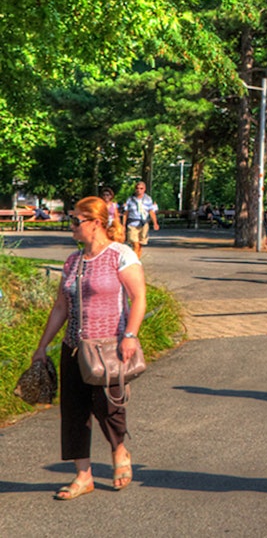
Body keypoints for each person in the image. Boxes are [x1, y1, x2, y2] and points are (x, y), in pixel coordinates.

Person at [33, 196, 146, 499]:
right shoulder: (72, 260)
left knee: (109, 406)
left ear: (96, 223)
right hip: (74, 346)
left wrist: (130, 335)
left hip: (108, 347)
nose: (70, 226)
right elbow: (60, 306)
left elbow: (139, 297)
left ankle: (119, 449)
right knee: (73, 411)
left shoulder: (120, 255)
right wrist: (43, 346)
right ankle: (83, 475)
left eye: (75, 221)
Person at [122, 181, 159, 258]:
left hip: (143, 223)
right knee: (135, 243)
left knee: (139, 244)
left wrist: (155, 223)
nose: (139, 190)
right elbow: (126, 213)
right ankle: (134, 261)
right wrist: (123, 224)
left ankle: (137, 259)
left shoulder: (148, 199)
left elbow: (151, 211)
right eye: (137, 188)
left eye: (141, 188)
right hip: (132, 223)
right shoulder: (130, 199)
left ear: (144, 189)